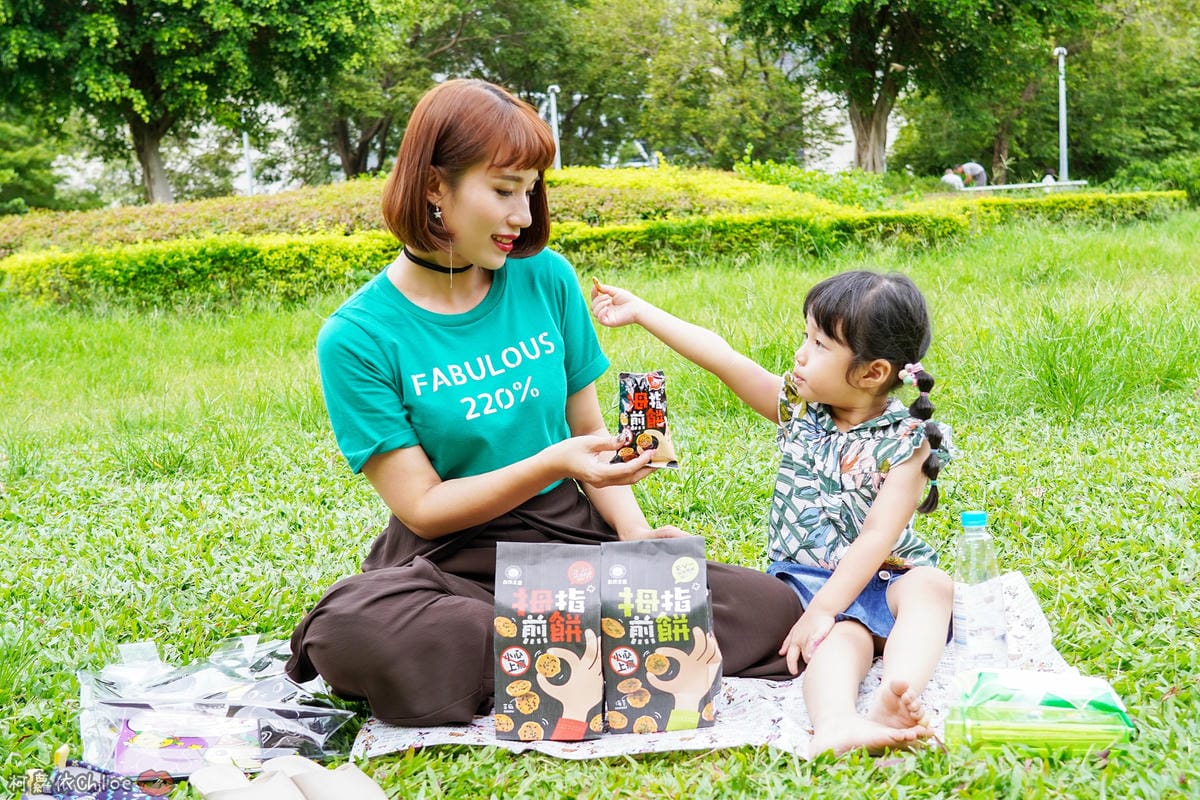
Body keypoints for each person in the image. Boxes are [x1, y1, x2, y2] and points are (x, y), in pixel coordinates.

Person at [284, 79, 804, 728]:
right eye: (503, 190)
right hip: (451, 564)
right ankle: (607, 653)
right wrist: (553, 461)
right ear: (432, 186)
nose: (524, 216)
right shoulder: (358, 336)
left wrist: (636, 535)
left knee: (769, 608)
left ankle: (550, 657)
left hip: (574, 547)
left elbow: (590, 433)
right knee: (353, 631)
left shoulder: (546, 278)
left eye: (530, 190)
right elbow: (422, 506)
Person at [591, 270, 954, 756]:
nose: (802, 354)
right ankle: (837, 724)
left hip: (886, 578)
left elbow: (876, 539)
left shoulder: (909, 442)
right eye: (806, 336)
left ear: (873, 373)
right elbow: (722, 357)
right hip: (805, 583)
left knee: (934, 586)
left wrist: (825, 609)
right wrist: (641, 311)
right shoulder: (798, 411)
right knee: (842, 643)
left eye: (821, 345)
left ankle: (897, 693)